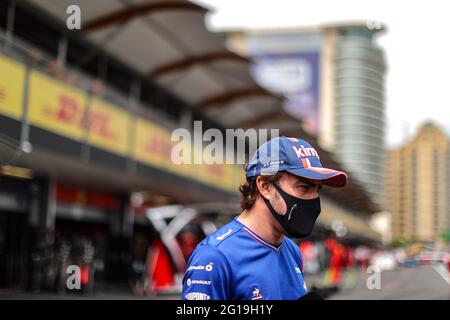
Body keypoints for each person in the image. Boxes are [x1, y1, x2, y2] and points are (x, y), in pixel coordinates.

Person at [181, 136, 348, 300]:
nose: (313, 199)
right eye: (304, 187)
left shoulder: (292, 251)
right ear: (265, 186)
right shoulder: (214, 257)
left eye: (317, 190)